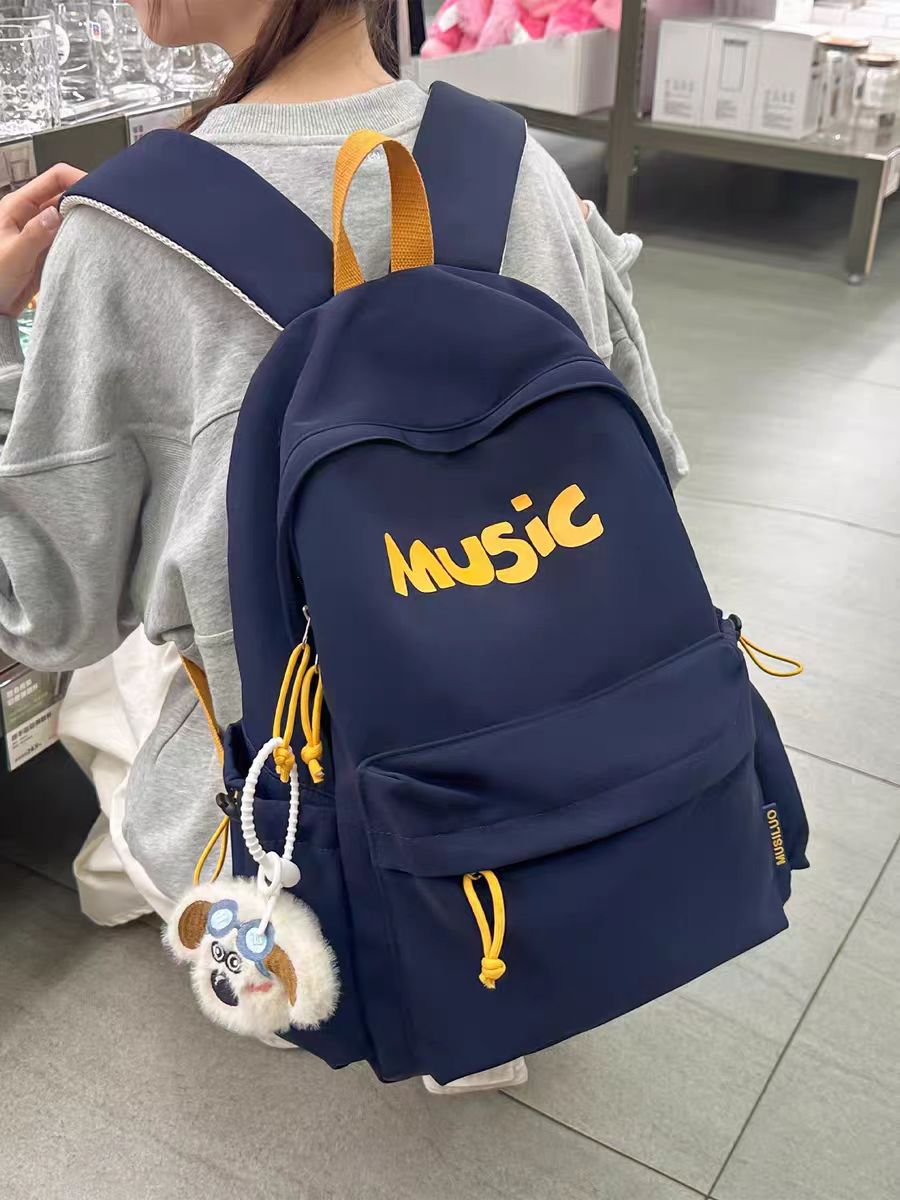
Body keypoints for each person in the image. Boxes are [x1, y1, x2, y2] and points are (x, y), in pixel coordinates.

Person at [0, 0, 686, 1087]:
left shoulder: (123, 239)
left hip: (302, 828)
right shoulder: (522, 168)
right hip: (556, 764)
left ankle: (267, 956)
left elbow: (45, 614)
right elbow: (651, 467)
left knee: (122, 686)